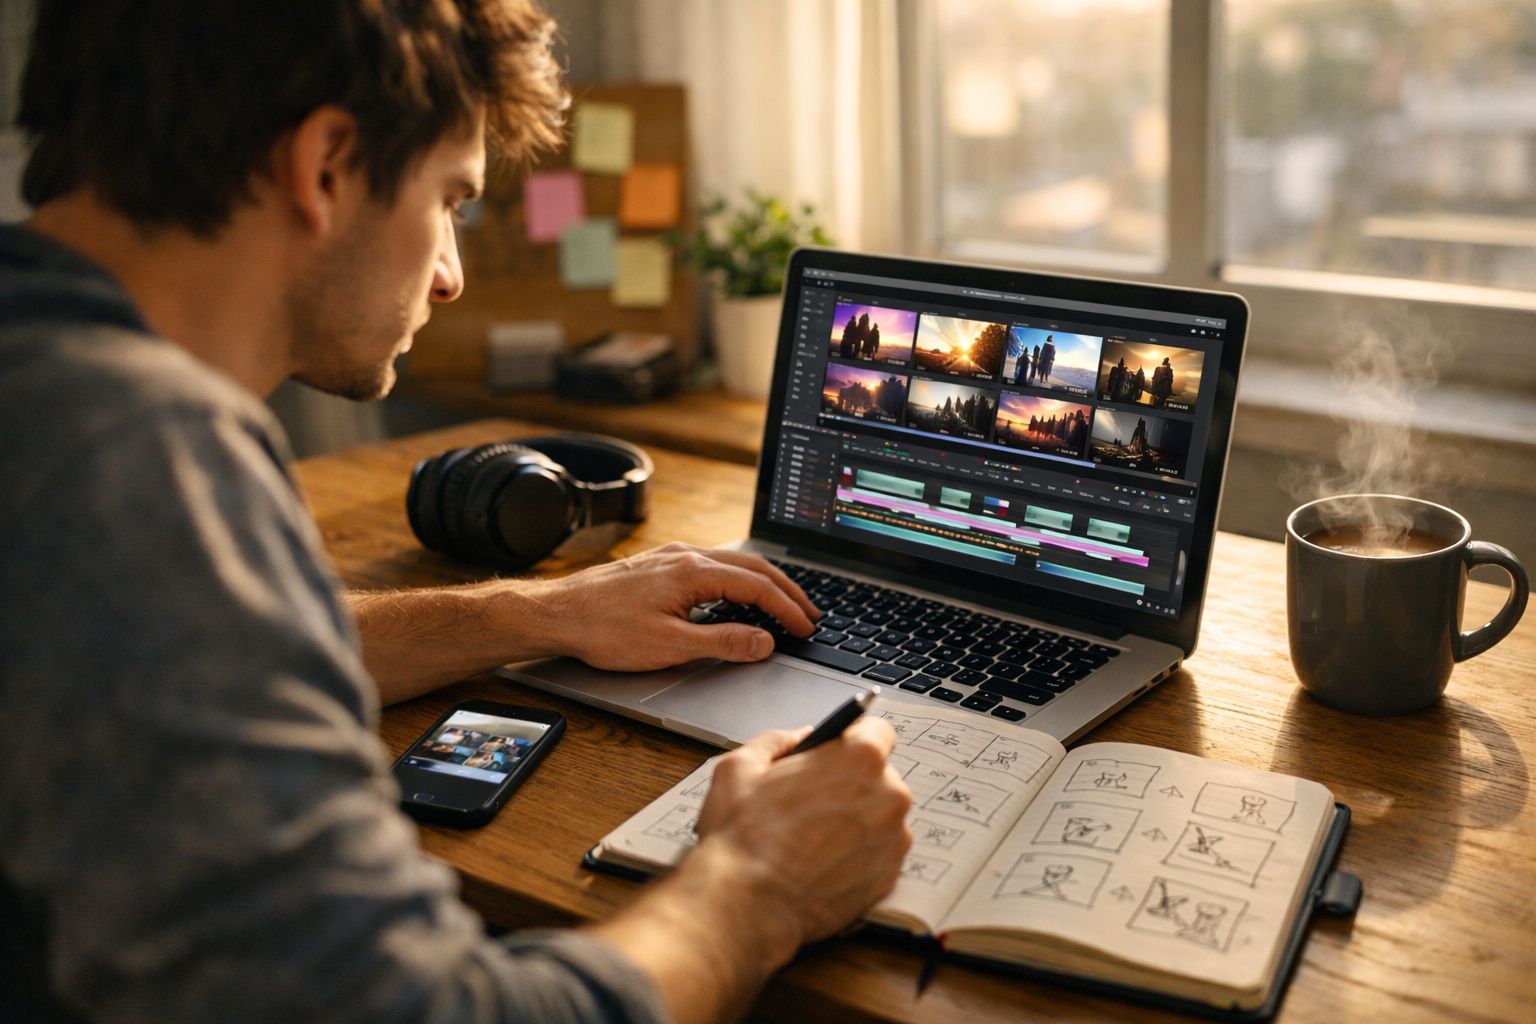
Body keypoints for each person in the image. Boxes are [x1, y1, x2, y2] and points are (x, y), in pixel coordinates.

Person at [0, 3, 913, 1023]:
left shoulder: (43, 383)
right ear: (328, 163)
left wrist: (533, 616)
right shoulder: (133, 458)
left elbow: (158, 642)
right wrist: (760, 886)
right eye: (451, 201)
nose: (450, 273)